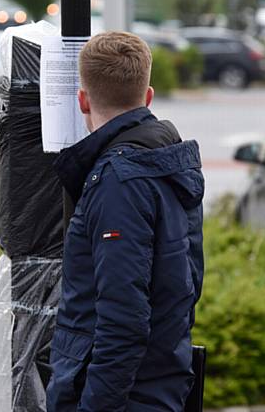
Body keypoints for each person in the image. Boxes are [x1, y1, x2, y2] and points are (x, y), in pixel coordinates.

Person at [47, 31, 205, 412]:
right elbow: (188, 283)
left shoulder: (119, 182)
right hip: (163, 381)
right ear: (147, 96)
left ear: (82, 100)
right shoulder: (169, 159)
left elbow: (122, 319)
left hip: (122, 396)